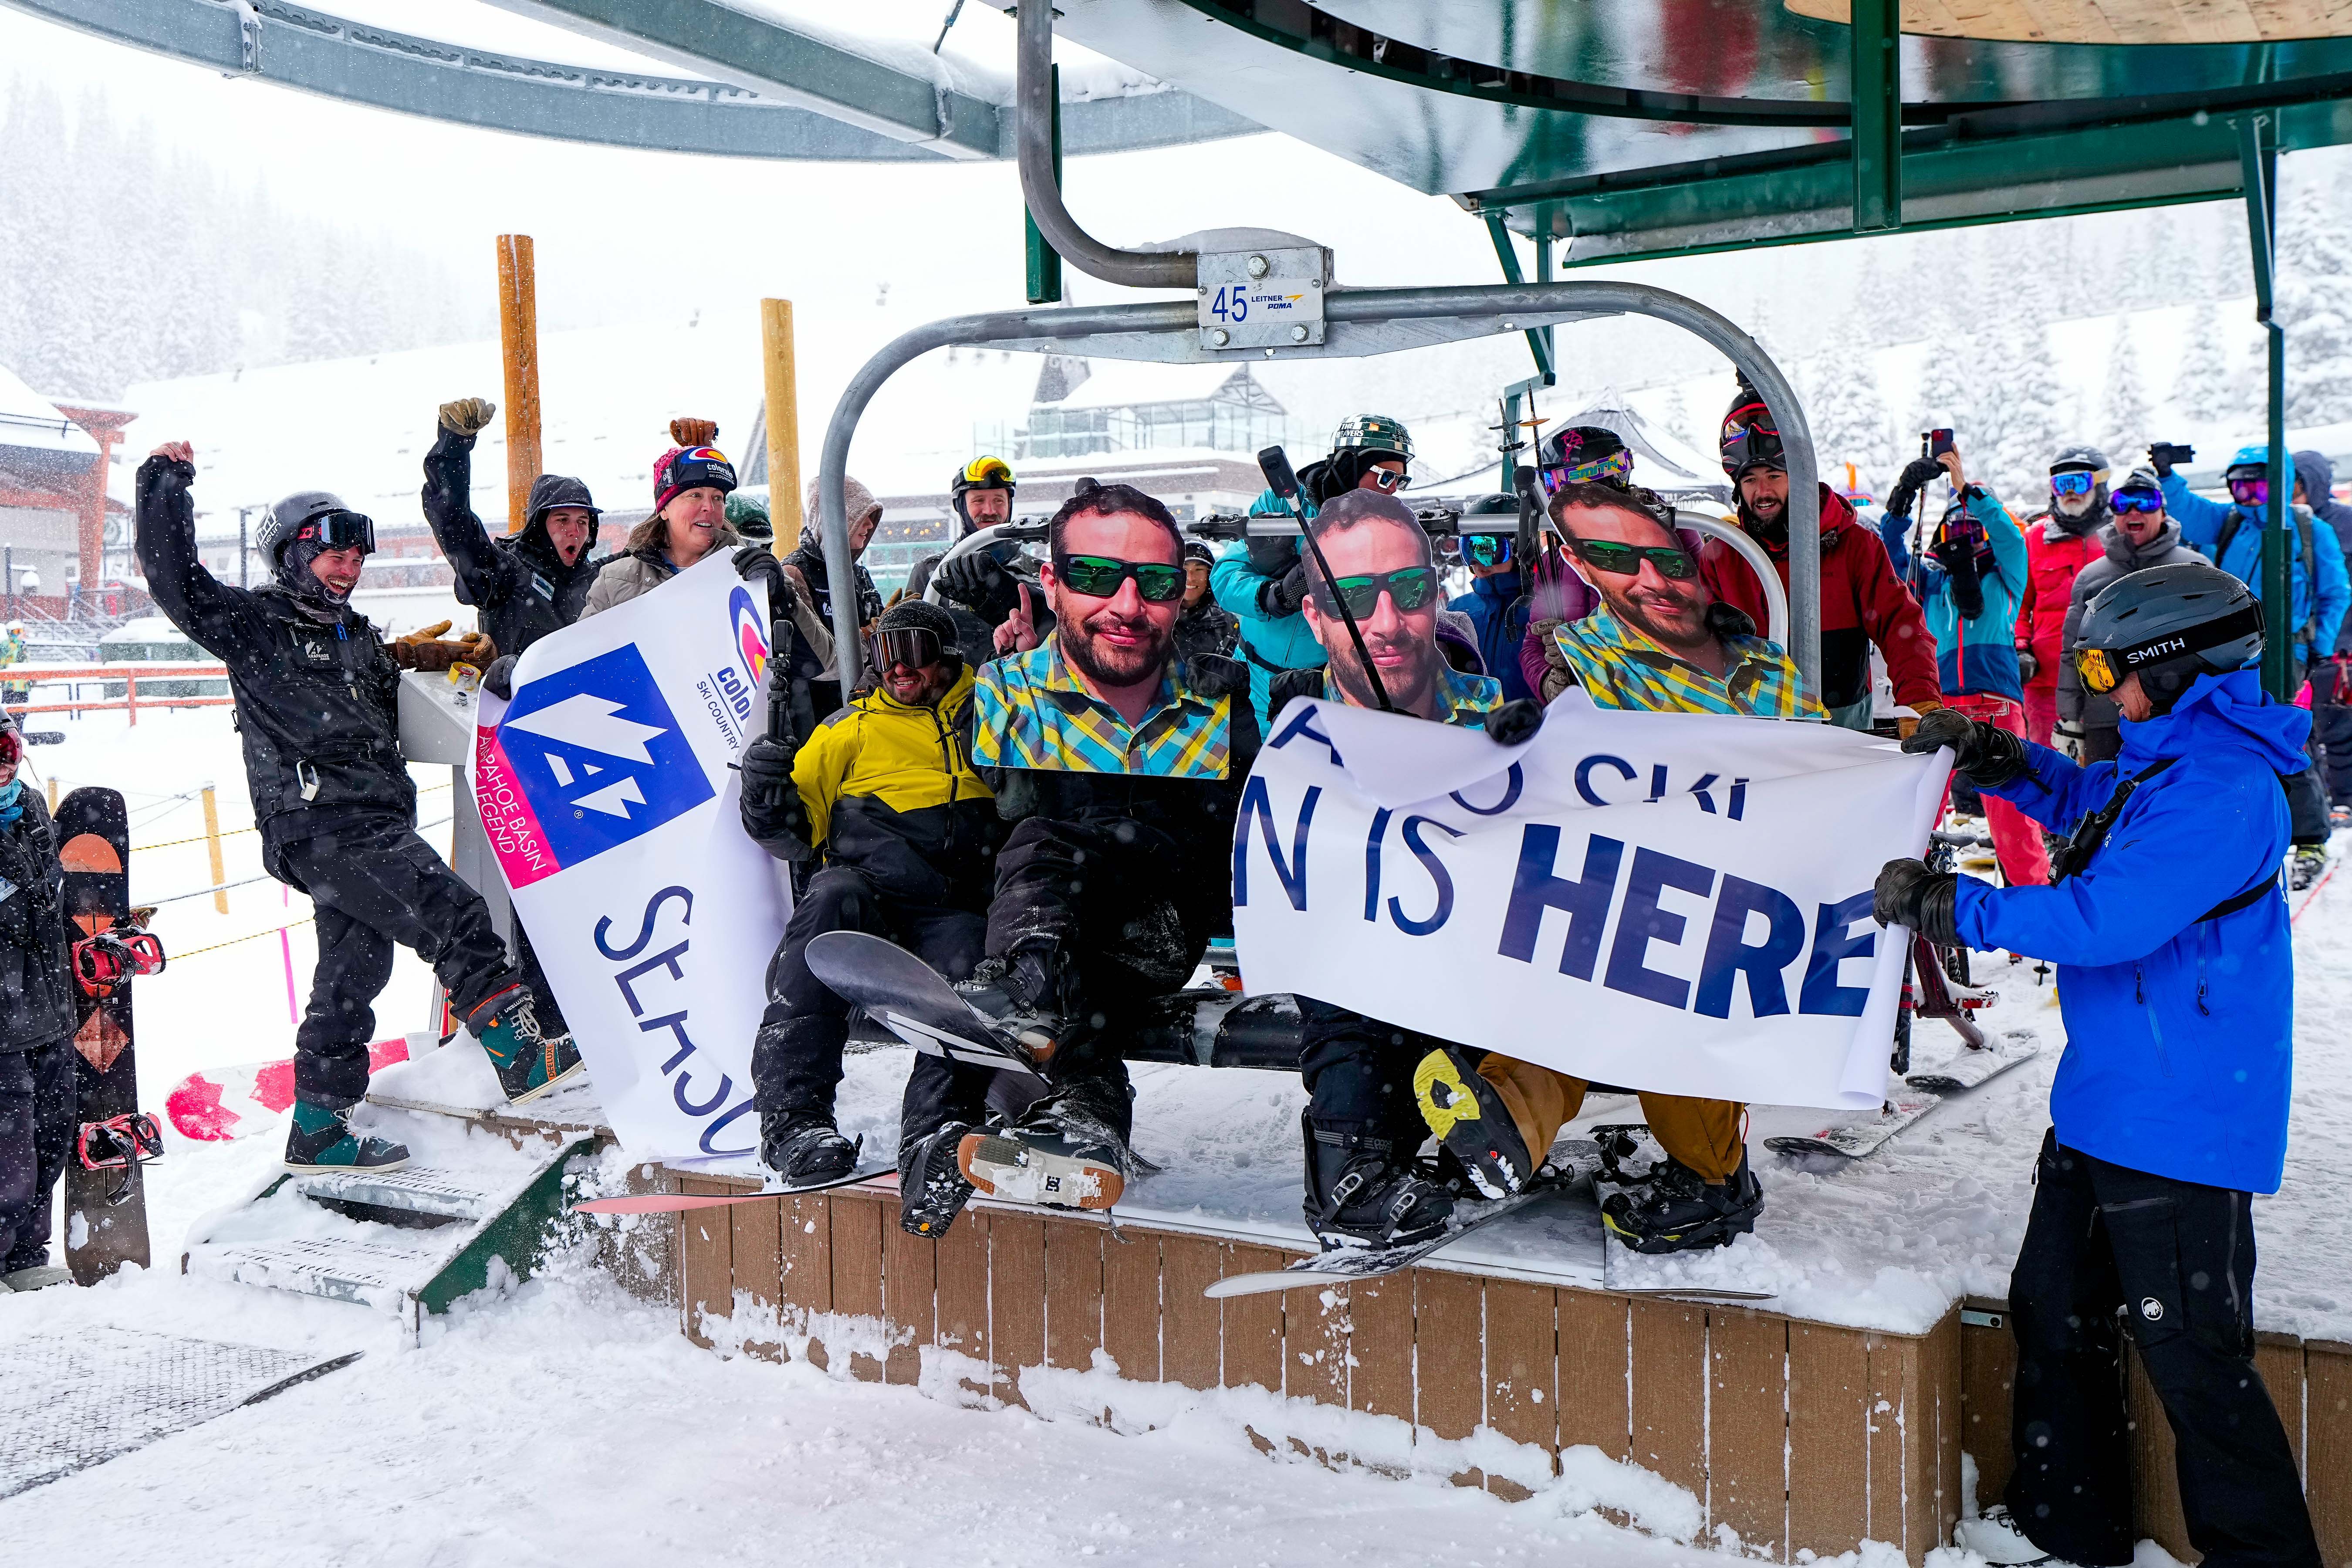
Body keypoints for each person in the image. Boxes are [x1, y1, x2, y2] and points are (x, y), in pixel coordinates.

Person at [1874, 561, 2321, 1568]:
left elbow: (2103, 917)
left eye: (2102, 666)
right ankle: (2068, 1530)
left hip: (2181, 1124)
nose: (2090, 684)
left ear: (2171, 668)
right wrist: (2001, 759)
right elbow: (2089, 801)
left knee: (2197, 1365)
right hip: (2106, 1104)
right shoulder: (2160, 761)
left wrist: (1958, 908)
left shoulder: (2222, 791)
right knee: (2055, 1313)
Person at [136, 443, 581, 1172]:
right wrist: (166, 482)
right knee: (456, 913)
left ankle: (319, 1122)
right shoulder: (256, 624)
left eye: (354, 560)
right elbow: (175, 580)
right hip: (320, 819)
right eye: (330, 557)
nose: (346, 571)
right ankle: (520, 1054)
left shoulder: (355, 637)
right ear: (291, 555)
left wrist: (441, 660)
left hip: (366, 820)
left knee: (354, 969)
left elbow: (394, 677)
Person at [1421, 480, 1821, 1254]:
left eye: (1667, 566)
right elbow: (1548, 692)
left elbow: (1809, 761)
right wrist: (1532, 723)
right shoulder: (1580, 650)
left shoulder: (1762, 669)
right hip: (1605, 877)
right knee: (1562, 981)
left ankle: (1712, 1173)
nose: (1650, 584)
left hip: (1714, 890)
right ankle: (1503, 1126)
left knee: (1669, 1000)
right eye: (1618, 564)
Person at [950, 479, 1258, 1212]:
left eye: (1153, 583)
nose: (1126, 604)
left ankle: (1029, 1008)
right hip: (1056, 934)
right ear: (1052, 585)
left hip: (1154, 920)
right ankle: (1085, 1123)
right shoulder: (1009, 693)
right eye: (1094, 577)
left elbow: (1243, 830)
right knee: (1047, 953)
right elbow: (987, 821)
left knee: (1046, 862)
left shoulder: (1212, 693)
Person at [1257, 490, 1518, 1247]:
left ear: (1435, 596)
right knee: (1351, 991)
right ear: (1315, 618)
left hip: (1469, 952)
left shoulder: (1493, 710)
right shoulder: (1290, 721)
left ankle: (1436, 1143)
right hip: (1356, 952)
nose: (1383, 623)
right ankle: (1350, 1160)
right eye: (1352, 601)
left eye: (1407, 593)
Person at [737, 598, 1007, 1235]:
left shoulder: (986, 717)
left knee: (971, 956)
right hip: (872, 900)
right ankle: (794, 1122)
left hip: (952, 907)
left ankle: (939, 1134)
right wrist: (765, 792)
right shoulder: (850, 730)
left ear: (944, 658)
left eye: (913, 651)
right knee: (829, 899)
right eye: (886, 653)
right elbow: (790, 833)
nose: (898, 669)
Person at [2154, 439, 2348, 882]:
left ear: (2278, 484)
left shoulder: (2306, 528)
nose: (2246, 499)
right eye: (2238, 489)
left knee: (2284, 740)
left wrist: (2320, 647)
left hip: (2285, 652)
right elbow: (2188, 507)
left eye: (2255, 489)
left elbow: (2335, 591)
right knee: (2228, 739)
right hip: (2227, 652)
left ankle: (2311, 839)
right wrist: (2167, 476)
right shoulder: (2230, 525)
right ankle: (2242, 828)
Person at [1702, 383, 1942, 733]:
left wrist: (1920, 702)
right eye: (1750, 479)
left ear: (1800, 479)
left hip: (1842, 732)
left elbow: (1901, 627)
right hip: (1752, 733)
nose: (1762, 491)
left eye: (1774, 476)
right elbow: (1688, 643)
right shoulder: (1723, 556)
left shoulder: (1855, 547)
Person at [1884, 439, 2051, 888]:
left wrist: (1967, 490)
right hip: (1941, 710)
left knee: (2015, 818)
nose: (1964, 539)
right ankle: (1908, 901)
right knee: (1919, 811)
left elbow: (2012, 540)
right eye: (1954, 532)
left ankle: (2031, 920)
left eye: (1972, 531)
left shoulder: (2005, 581)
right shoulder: (1932, 586)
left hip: (1997, 708)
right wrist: (1902, 498)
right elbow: (1891, 556)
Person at [1212, 415, 1414, 726]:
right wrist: (1270, 596)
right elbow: (1226, 576)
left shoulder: (1387, 531)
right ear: (1351, 465)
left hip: (1324, 689)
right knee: (1247, 767)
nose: (1394, 490)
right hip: (1253, 677)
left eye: (1402, 481)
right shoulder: (1283, 506)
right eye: (1388, 477)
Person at [421, 397, 605, 660]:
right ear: (539, 527)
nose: (574, 531)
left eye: (583, 522)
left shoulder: (603, 580)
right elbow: (454, 525)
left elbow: (665, 549)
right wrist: (454, 447)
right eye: (562, 520)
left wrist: (685, 470)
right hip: (513, 701)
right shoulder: (507, 573)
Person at [0, 722, 75, 1291]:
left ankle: (27, 1251)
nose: (3, 767)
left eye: (8, 752)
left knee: (50, 1133)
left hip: (46, 1003)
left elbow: (49, 899)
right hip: (4, 1013)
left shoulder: (27, 807)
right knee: (10, 1144)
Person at [2057, 467, 2190, 764]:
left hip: (2179, 714)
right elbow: (2072, 651)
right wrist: (2069, 718)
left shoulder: (2195, 569)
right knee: (2104, 803)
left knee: (2172, 803)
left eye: (2146, 502)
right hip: (2105, 716)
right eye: (2122, 503)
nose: (2133, 511)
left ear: (2164, 512)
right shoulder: (2092, 577)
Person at [580, 419, 742, 617]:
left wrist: (779, 597)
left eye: (718, 498)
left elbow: (786, 641)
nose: (709, 507)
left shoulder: (749, 572)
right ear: (664, 509)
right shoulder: (615, 582)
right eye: (695, 495)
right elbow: (586, 647)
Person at [2015, 446, 2112, 747]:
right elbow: (2019, 604)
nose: (2070, 492)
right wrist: (2021, 648)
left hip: (2111, 673)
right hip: (2048, 679)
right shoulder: (2034, 539)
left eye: (2079, 482)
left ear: (2099, 484)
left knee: (2107, 760)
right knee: (2049, 764)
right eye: (2061, 484)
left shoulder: (2120, 535)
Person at [785, 474, 889, 720]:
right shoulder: (794, 573)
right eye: (863, 518)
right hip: (816, 710)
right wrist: (870, 638)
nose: (870, 527)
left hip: (863, 702)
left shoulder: (857, 573)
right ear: (838, 521)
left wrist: (892, 626)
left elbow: (880, 633)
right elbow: (818, 661)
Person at [2292, 450, 2352, 811]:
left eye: (2298, 485)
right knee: (2307, 730)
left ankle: (2345, 800)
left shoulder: (2344, 523)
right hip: (2303, 649)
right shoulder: (2285, 526)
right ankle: (2324, 800)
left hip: (2343, 650)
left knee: (2339, 727)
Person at [1447, 493, 1534, 703]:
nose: (1477, 563)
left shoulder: (1545, 610)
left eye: (1488, 550)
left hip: (1534, 728)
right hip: (1469, 727)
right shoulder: (1459, 610)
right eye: (1469, 548)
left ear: (1519, 548)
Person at [907, 455, 1019, 610]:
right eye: (979, 500)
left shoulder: (1038, 573)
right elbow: (913, 634)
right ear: (961, 506)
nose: (990, 510)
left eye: (999, 500)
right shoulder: (932, 571)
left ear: (1009, 504)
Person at [1173, 538, 1239, 669]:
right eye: (1185, 569)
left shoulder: (1229, 625)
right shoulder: (1160, 618)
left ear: (1210, 575)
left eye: (1199, 570)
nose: (1191, 578)